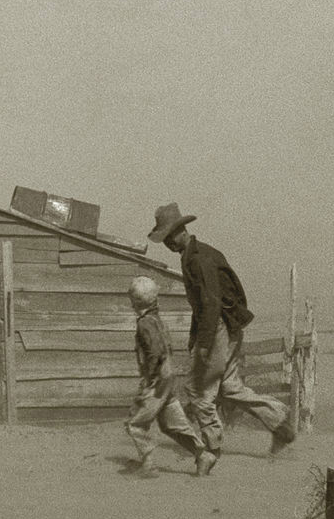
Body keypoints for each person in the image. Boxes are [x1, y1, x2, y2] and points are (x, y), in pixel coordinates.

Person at [147, 204, 295, 471]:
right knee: (230, 388)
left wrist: (204, 345)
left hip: (219, 328)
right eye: (165, 239)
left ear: (181, 230)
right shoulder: (194, 253)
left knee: (198, 390)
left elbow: (211, 303)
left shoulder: (198, 258)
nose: (168, 243)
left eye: (170, 236)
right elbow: (203, 305)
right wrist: (197, 337)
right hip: (223, 326)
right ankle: (279, 422)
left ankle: (211, 449)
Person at [124, 275, 215, 476]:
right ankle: (203, 454)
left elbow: (155, 351)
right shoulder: (158, 320)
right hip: (168, 378)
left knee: (135, 423)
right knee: (172, 424)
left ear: (135, 301)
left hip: (157, 380)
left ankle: (148, 465)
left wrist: (151, 380)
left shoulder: (144, 323)